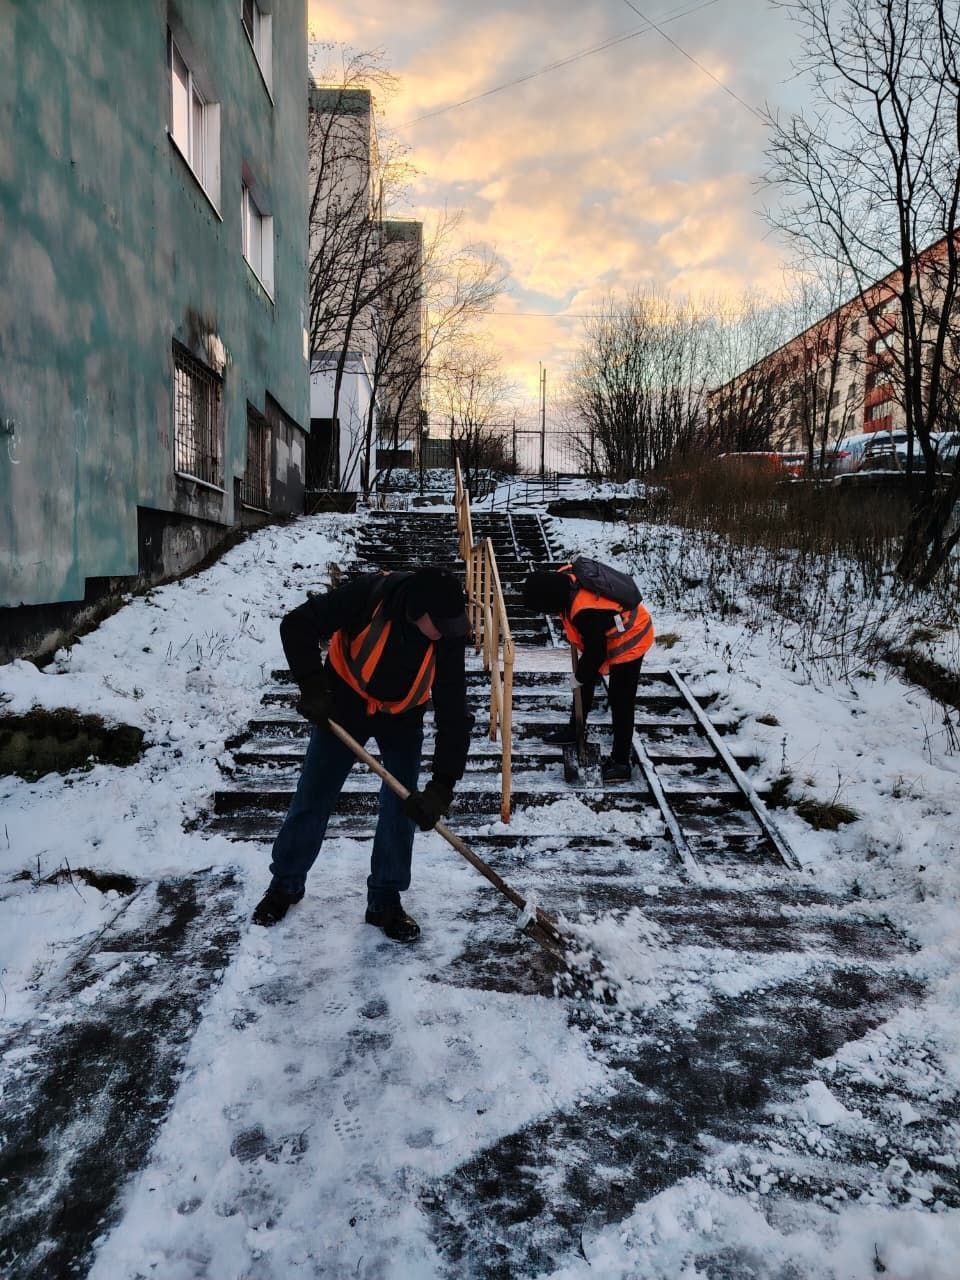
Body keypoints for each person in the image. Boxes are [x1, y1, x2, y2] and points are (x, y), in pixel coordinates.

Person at [252, 566, 473, 942]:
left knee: (402, 806)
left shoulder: (447, 634)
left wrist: (441, 787)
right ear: (418, 611)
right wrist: (313, 687)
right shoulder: (368, 595)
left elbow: (454, 711)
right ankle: (285, 884)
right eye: (440, 624)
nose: (448, 633)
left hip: (403, 717)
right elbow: (296, 625)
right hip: (343, 706)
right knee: (313, 796)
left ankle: (384, 900)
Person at [522, 562, 654, 783]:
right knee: (585, 680)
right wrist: (583, 677)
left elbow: (596, 654)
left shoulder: (584, 611)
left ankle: (621, 762)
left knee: (620, 699)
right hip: (605, 629)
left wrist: (579, 677)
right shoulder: (565, 580)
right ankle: (575, 730)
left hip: (632, 636)